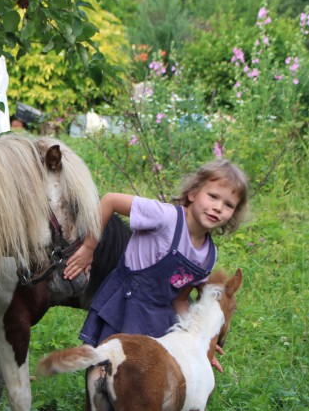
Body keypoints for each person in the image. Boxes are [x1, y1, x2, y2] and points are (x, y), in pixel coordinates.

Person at [63, 159, 250, 372]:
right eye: (213, 196)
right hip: (125, 305)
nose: (218, 207)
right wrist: (88, 248)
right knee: (104, 370)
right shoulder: (166, 217)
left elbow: (180, 299)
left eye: (228, 205)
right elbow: (110, 201)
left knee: (142, 381)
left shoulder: (208, 255)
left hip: (158, 320)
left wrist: (198, 343)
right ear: (193, 193)